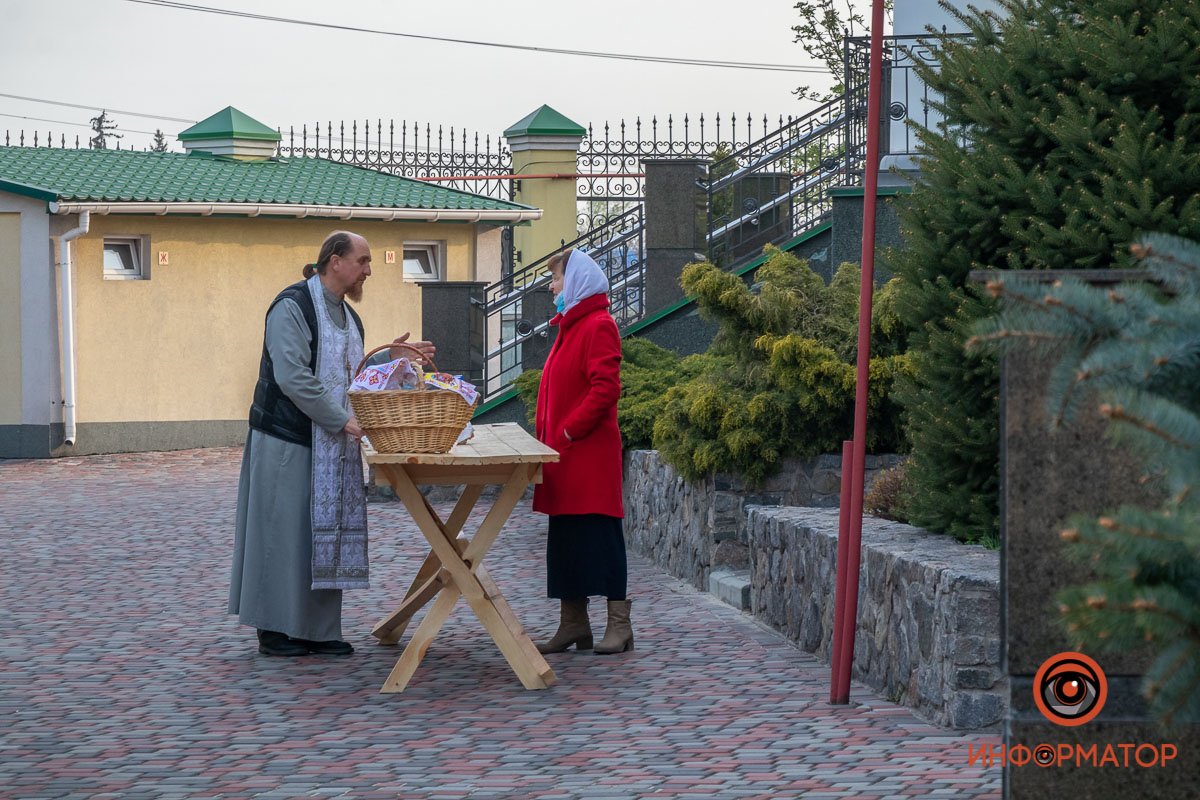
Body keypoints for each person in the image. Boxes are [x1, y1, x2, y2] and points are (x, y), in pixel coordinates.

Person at [229, 230, 435, 657]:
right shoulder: (292, 306)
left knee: (319, 537)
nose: (369, 270)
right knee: (282, 534)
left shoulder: (349, 317)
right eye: (363, 261)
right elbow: (292, 376)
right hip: (286, 437)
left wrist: (391, 357)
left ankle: (316, 630)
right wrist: (342, 420)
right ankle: (274, 630)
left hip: (330, 443)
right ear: (335, 261)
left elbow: (349, 371)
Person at [532, 248, 632, 655]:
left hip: (586, 455)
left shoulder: (598, 325)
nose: (552, 287)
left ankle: (619, 625)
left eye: (557, 279)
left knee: (600, 538)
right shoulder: (570, 327)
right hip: (565, 455)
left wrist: (569, 430)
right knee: (567, 542)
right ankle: (573, 623)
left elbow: (605, 387)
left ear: (575, 283)